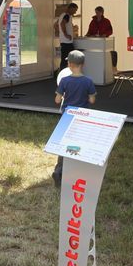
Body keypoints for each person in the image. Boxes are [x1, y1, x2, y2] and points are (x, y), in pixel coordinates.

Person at [52, 50, 96, 186]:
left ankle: (59, 171)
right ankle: (77, 173)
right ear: (83, 64)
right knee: (80, 144)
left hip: (67, 116)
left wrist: (63, 95)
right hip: (82, 118)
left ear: (69, 64)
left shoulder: (64, 80)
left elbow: (57, 101)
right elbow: (92, 100)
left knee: (64, 144)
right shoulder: (88, 81)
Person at [85, 5, 118, 72]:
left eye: (98, 12)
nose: (97, 14)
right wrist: (87, 36)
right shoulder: (93, 21)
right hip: (94, 43)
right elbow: (89, 31)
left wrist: (105, 35)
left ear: (102, 12)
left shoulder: (106, 21)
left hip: (103, 42)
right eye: (96, 12)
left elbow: (110, 31)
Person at [56, 3, 78, 71]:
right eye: (75, 10)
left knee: (66, 59)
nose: (75, 12)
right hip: (66, 42)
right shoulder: (67, 16)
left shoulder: (62, 15)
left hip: (65, 41)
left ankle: (64, 74)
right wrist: (65, 34)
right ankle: (63, 75)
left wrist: (61, 33)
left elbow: (55, 25)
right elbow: (62, 23)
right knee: (67, 59)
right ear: (71, 8)